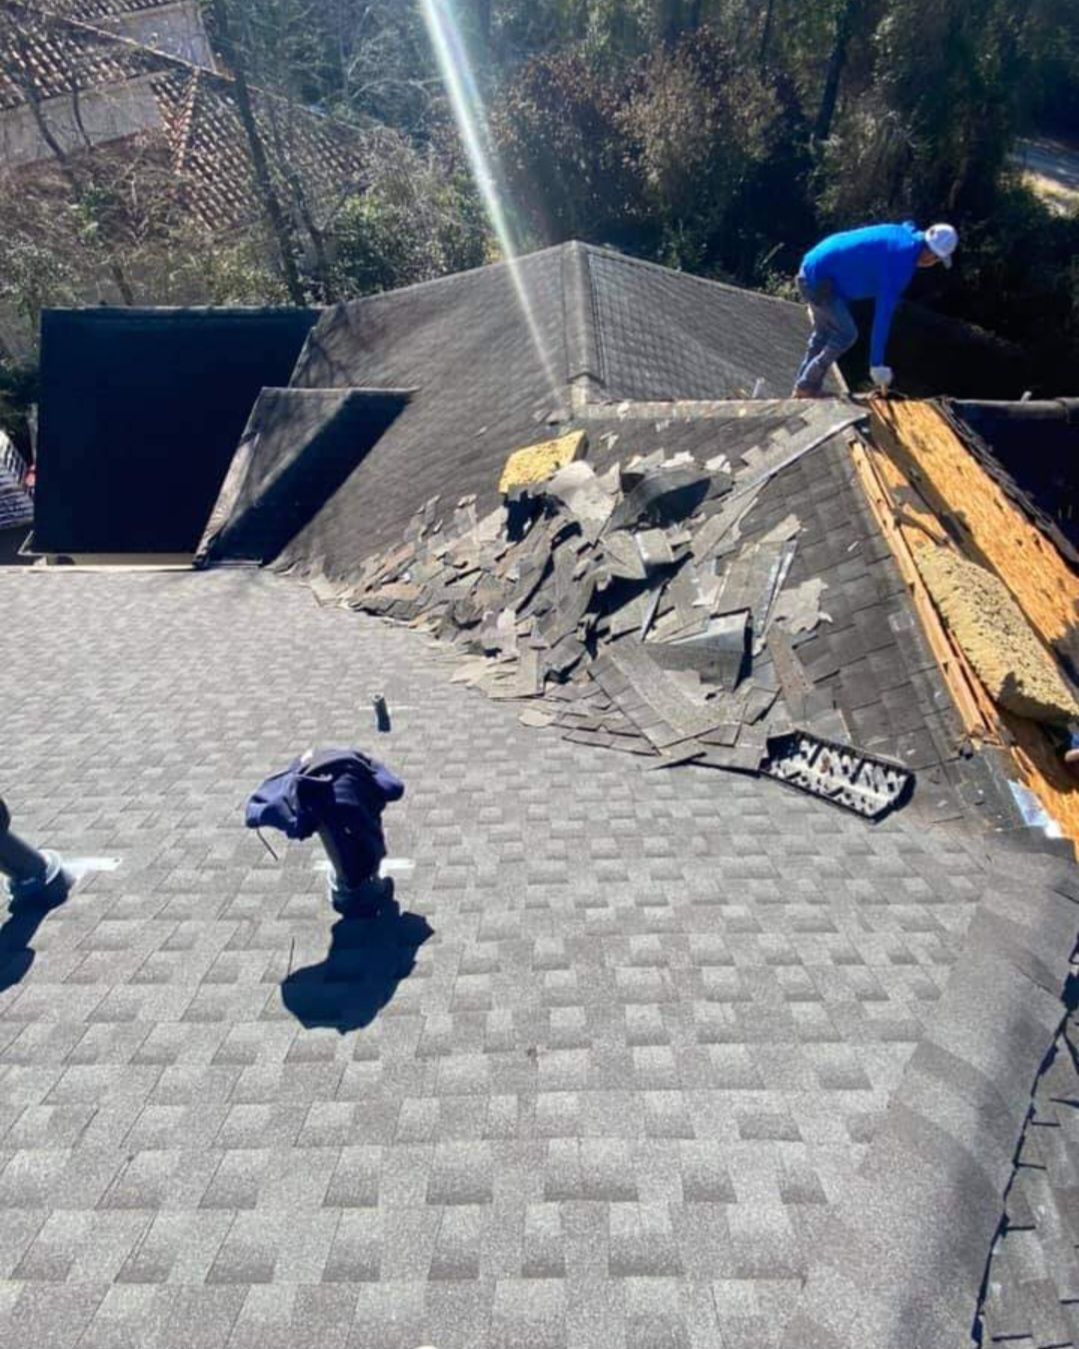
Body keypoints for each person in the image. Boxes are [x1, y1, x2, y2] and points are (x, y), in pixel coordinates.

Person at [792, 221, 958, 399]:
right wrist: (876, 364)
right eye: (937, 260)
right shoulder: (901, 263)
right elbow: (883, 317)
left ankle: (802, 388)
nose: (933, 264)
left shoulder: (905, 234)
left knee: (823, 334)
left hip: (811, 269)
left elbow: (907, 224)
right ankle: (807, 385)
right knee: (846, 334)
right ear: (930, 255)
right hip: (820, 284)